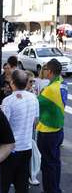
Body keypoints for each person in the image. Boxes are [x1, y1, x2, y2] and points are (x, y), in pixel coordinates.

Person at [1, 70, 39, 193]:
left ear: (12, 83)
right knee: (22, 183)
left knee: (4, 183)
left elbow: (3, 126)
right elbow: (36, 121)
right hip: (26, 146)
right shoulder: (33, 98)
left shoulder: (8, 100)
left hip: (10, 149)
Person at [37, 59, 68, 193]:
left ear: (49, 72)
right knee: (55, 163)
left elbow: (35, 103)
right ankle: (56, 189)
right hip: (58, 129)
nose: (43, 71)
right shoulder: (62, 83)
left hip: (47, 132)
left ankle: (51, 190)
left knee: (47, 165)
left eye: (45, 69)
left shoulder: (49, 90)